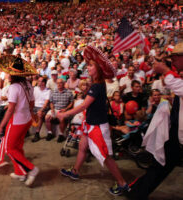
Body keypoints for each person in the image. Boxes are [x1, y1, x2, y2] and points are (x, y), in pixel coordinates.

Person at [57, 46, 129, 195]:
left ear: (98, 69)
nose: (87, 68)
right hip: (90, 124)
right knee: (83, 147)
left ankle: (122, 183)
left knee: (106, 157)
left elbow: (83, 105)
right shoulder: (96, 85)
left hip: (97, 126)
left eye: (90, 65)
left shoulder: (96, 86)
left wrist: (65, 114)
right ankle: (75, 171)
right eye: (87, 65)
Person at [127, 42, 183, 200]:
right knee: (161, 164)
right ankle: (137, 193)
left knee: (161, 165)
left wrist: (165, 70)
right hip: (176, 134)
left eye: (175, 58)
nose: (173, 62)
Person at [0, 55, 39, 186]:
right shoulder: (28, 85)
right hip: (27, 120)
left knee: (9, 149)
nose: (7, 74)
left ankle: (31, 169)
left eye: (9, 71)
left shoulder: (14, 87)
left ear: (13, 74)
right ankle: (20, 173)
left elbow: (10, 109)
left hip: (17, 120)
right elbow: (32, 103)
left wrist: (1, 126)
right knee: (18, 147)